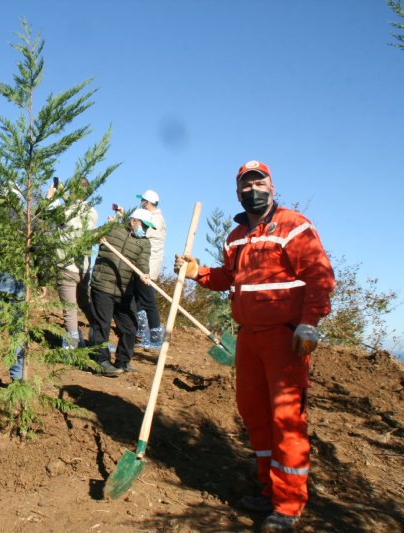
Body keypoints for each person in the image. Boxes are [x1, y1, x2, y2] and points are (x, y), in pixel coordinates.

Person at [174, 160, 335, 531]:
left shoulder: (294, 226)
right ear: (238, 192)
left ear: (271, 187)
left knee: (286, 418)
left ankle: (289, 504)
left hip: (285, 337)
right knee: (254, 414)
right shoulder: (235, 238)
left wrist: (310, 323)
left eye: (258, 182)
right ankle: (268, 489)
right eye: (245, 185)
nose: (252, 189)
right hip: (248, 337)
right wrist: (198, 272)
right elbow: (228, 278)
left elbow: (319, 276)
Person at [88, 208, 153, 376]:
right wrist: (100, 234)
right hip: (102, 285)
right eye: (143, 226)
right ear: (133, 221)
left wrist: (144, 274)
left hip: (124, 291)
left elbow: (143, 262)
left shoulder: (144, 243)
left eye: (147, 228)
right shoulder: (113, 228)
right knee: (102, 325)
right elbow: (89, 237)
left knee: (130, 327)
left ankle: (123, 361)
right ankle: (101, 362)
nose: (144, 230)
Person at [48, 178, 98, 349]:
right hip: (83, 268)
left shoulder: (65, 210)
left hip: (66, 266)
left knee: (69, 309)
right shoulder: (93, 212)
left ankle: (72, 347)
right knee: (84, 301)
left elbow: (49, 214)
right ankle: (98, 331)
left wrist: (52, 196)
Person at [134, 189, 166, 349]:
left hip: (147, 267)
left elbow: (140, 235)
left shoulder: (155, 219)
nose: (141, 203)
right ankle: (141, 331)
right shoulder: (155, 217)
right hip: (145, 264)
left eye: (142, 201)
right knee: (138, 299)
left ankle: (154, 337)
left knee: (148, 301)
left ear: (147, 202)